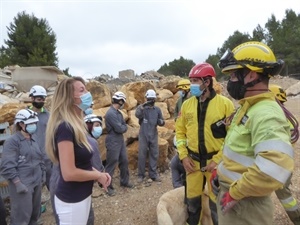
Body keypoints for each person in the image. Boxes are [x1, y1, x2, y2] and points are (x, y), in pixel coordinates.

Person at [214, 41, 295, 225]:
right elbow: (236, 149)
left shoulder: (266, 113)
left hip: (245, 206)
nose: (230, 81)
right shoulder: (249, 107)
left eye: (234, 74)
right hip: (238, 200)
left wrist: (234, 193)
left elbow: (274, 168)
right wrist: (220, 171)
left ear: (251, 75)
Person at [45, 76, 111, 225]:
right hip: (71, 201)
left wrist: (100, 174)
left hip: (82, 197)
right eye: (82, 90)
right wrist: (97, 175)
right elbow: (69, 173)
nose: (87, 93)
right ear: (70, 97)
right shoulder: (65, 128)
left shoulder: (76, 125)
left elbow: (82, 163)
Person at [175, 62, 235, 225]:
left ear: (207, 82)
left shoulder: (225, 105)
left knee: (216, 206)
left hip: (215, 165)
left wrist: (218, 159)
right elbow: (180, 132)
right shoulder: (186, 105)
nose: (191, 85)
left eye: (195, 81)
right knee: (192, 206)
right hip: (192, 164)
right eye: (191, 80)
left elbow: (232, 137)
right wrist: (183, 156)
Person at [49, 113, 105, 225]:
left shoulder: (73, 136)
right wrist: (100, 175)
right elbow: (94, 167)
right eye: (96, 125)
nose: (99, 128)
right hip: (73, 192)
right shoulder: (89, 142)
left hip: (57, 185)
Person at [0, 109, 45, 225]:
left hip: (36, 183)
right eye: (31, 124)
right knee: (21, 217)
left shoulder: (33, 139)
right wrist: (17, 183)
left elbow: (40, 158)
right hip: (22, 184)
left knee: (35, 215)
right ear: (21, 124)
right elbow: (6, 165)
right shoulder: (12, 141)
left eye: (34, 123)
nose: (34, 126)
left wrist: (42, 174)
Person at [269, 84, 300, 225]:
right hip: (282, 163)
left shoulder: (276, 117)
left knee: (283, 193)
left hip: (278, 166)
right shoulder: (285, 117)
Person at [104, 91, 133, 196]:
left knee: (124, 160)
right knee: (112, 163)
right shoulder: (110, 113)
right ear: (120, 101)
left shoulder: (118, 113)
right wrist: (123, 127)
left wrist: (123, 127)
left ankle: (124, 181)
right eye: (123, 101)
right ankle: (107, 186)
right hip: (113, 140)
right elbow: (120, 128)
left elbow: (123, 126)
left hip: (119, 139)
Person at [135, 89, 165, 183]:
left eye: (152, 99)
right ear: (146, 98)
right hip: (143, 134)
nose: (151, 100)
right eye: (149, 98)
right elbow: (137, 115)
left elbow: (162, 121)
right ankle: (141, 175)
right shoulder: (142, 109)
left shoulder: (157, 110)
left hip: (153, 134)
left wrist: (161, 122)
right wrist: (142, 106)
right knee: (142, 154)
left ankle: (153, 174)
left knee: (154, 154)